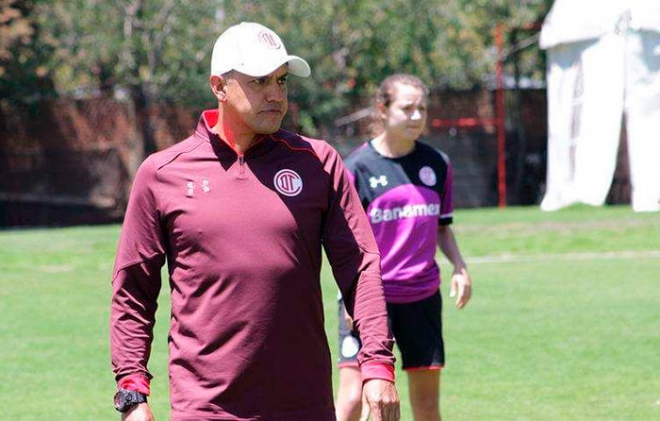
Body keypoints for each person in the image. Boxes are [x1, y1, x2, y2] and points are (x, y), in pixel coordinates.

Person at [110, 22, 400, 421]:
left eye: (282, 81)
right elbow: (133, 292)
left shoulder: (318, 162)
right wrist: (132, 393)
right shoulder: (162, 173)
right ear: (219, 86)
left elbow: (361, 267)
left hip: (304, 407)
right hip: (206, 409)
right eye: (260, 80)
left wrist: (378, 364)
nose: (276, 94)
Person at [335, 74, 473, 421]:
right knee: (353, 401)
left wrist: (459, 266)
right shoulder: (357, 168)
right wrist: (351, 295)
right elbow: (344, 245)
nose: (416, 116)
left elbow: (442, 227)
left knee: (426, 407)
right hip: (370, 300)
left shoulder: (437, 164)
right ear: (383, 108)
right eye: (407, 108)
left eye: (422, 109)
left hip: (422, 298)